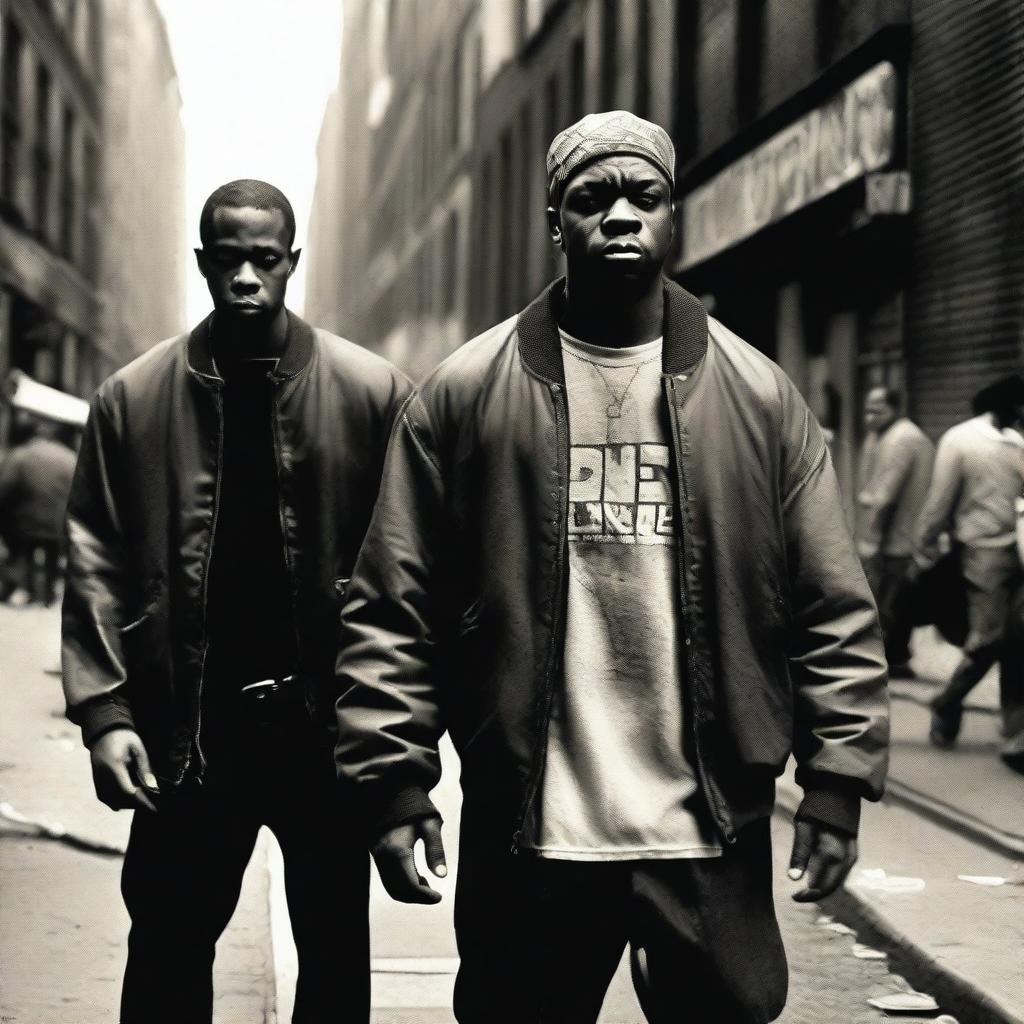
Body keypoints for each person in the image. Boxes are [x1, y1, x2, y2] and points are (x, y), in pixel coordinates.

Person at [334, 112, 889, 1024]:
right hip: (534, 831)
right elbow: (394, 604)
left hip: (711, 830)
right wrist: (395, 782)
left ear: (676, 216)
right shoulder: (465, 396)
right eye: (592, 200)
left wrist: (836, 782)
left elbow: (831, 603)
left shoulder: (759, 398)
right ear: (557, 222)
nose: (621, 217)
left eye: (645, 197)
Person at [61, 179, 411, 1024]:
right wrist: (106, 716)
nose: (247, 277)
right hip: (191, 738)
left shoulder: (373, 394)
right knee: (168, 953)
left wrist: (396, 759)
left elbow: (405, 577)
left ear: (293, 261)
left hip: (323, 737)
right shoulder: (133, 400)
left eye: (265, 259)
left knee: (332, 961)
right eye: (229, 260)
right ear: (202, 263)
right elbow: (95, 560)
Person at [914, 375, 1024, 749]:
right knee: (989, 639)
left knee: (1018, 643)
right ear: (1006, 406)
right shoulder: (960, 440)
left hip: (1020, 552)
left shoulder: (1017, 441)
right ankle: (947, 702)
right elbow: (939, 499)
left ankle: (1014, 730)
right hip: (983, 553)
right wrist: (925, 545)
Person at [855, 387, 934, 676]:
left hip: (897, 537)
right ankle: (895, 656)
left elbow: (885, 497)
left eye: (877, 410)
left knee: (890, 601)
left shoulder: (903, 438)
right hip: (898, 536)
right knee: (894, 600)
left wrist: (871, 539)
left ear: (896, 408)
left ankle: (891, 658)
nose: (869, 417)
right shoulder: (885, 436)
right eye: (867, 410)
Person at [0, 418, 76, 606]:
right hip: (57, 520)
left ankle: (28, 589)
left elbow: (5, 488)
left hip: (26, 519)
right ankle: (48, 594)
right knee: (52, 553)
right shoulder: (69, 456)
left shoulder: (20, 455)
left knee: (25, 552)